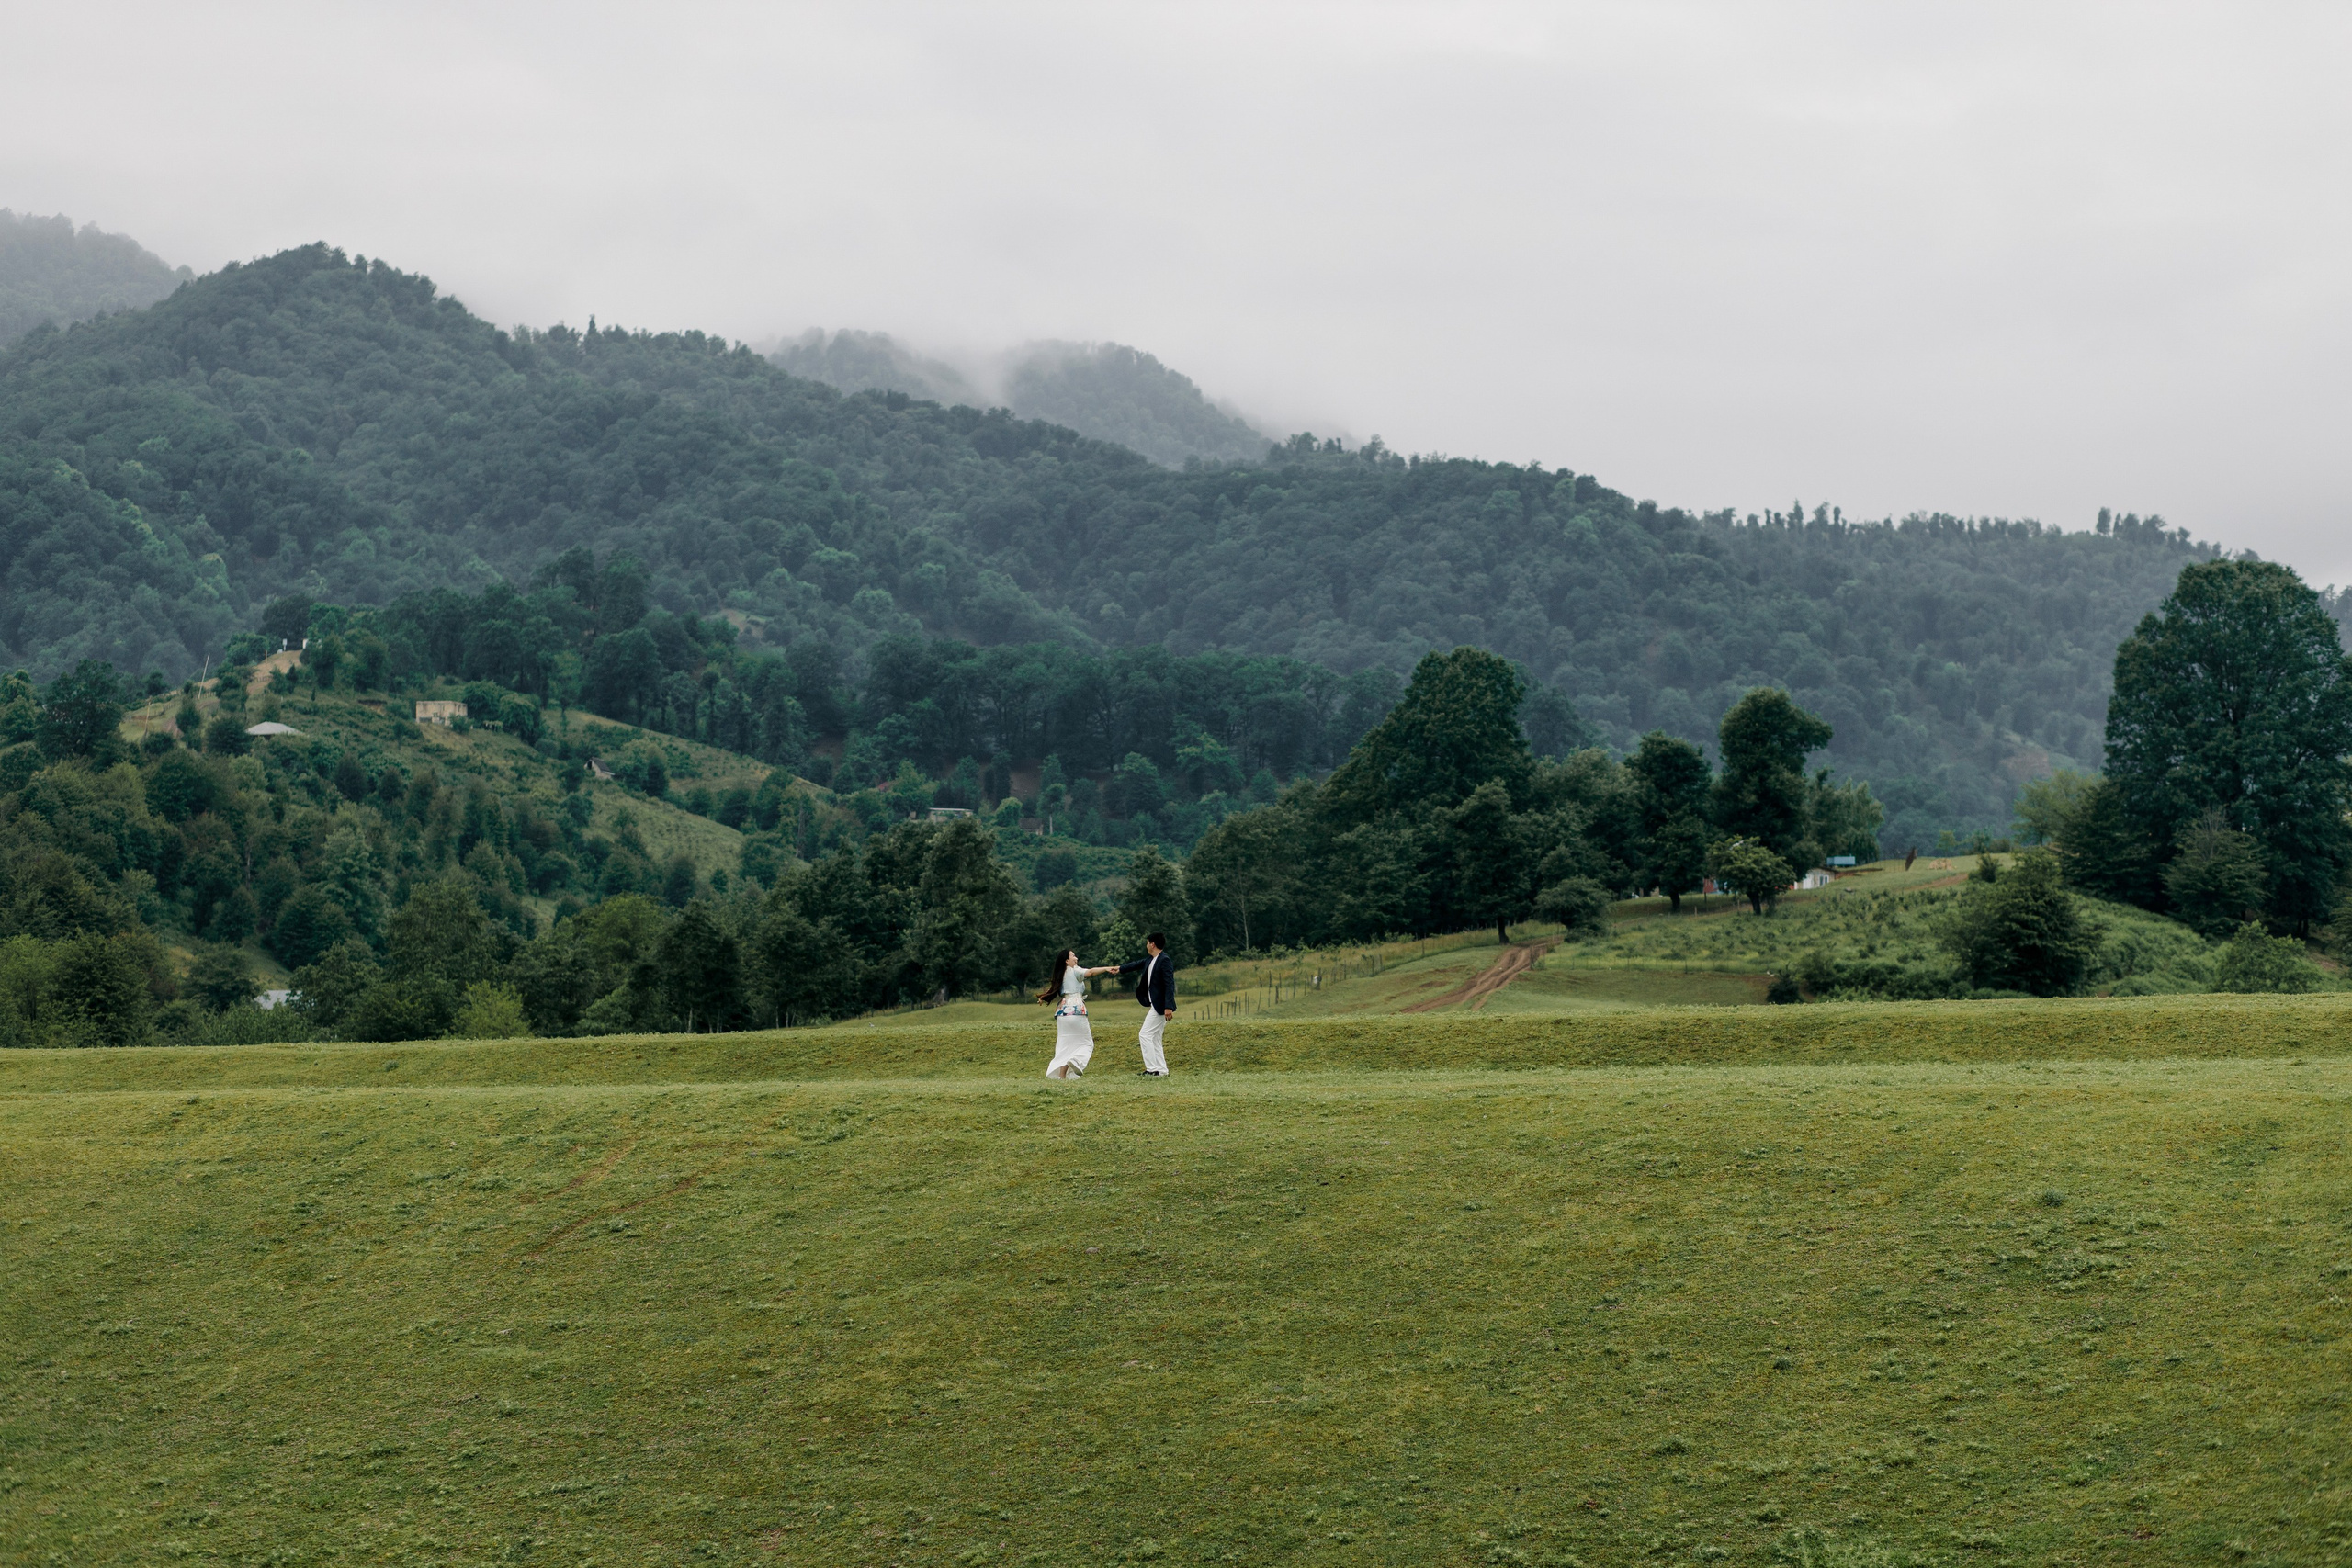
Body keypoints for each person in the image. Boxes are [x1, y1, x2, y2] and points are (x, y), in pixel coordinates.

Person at [1039, 949, 1116, 1080]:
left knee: (1065, 1044)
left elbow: (1053, 990)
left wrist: (1043, 997)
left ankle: (1062, 1076)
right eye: (1073, 956)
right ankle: (1076, 1061)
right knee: (1087, 1043)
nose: (1076, 958)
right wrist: (1106, 968)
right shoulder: (1075, 971)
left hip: (1062, 1013)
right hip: (1076, 1011)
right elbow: (1090, 972)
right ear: (1067, 961)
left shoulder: (1060, 974)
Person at [1111, 932, 1177, 1077]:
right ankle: (1162, 1070)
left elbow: (1169, 984)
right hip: (1155, 1004)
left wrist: (1168, 1006)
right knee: (1155, 1038)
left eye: (1147, 943)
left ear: (1152, 944)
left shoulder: (1164, 960)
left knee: (1145, 1034)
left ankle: (1152, 1070)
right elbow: (1136, 964)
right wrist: (1120, 968)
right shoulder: (1151, 959)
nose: (1146, 945)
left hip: (1160, 1006)